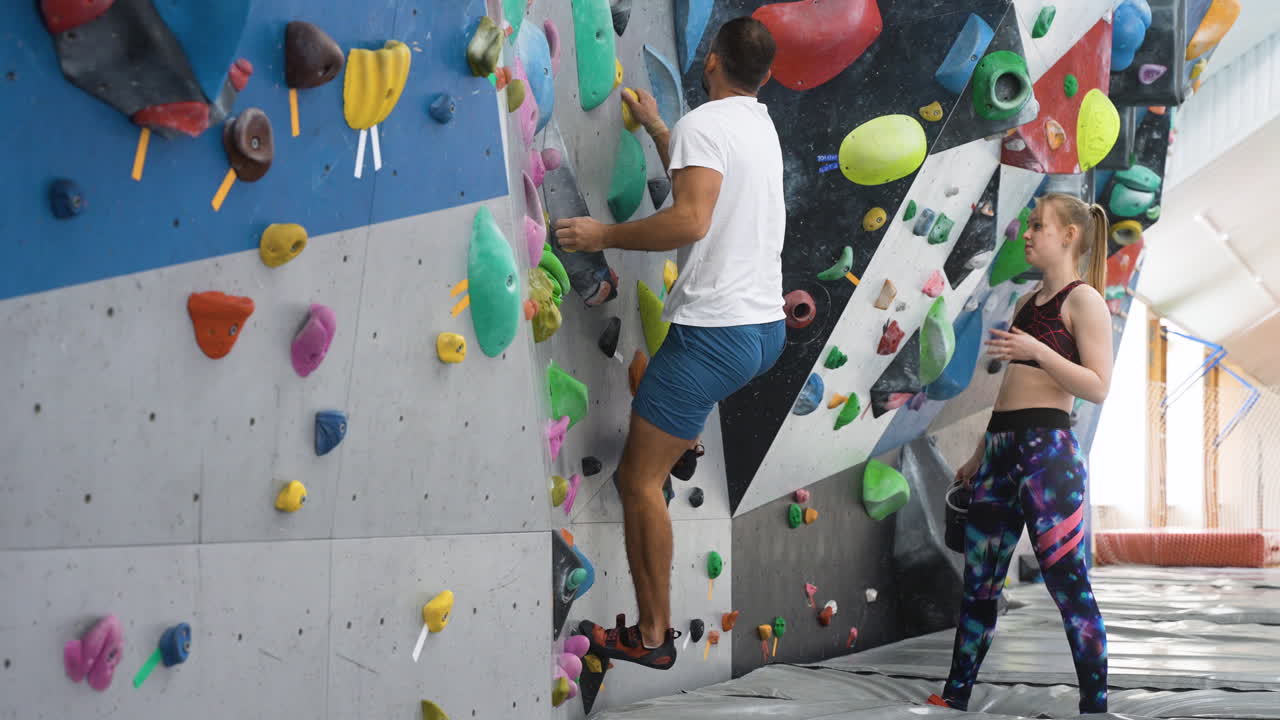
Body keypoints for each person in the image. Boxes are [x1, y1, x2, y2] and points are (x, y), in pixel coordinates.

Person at [554, 17, 785, 670]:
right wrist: (661, 130)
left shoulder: (704, 126)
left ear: (710, 61)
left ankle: (653, 638)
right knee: (647, 383)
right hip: (760, 332)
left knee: (636, 480)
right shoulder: (755, 125)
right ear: (762, 76)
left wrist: (600, 237)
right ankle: (683, 440)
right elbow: (703, 178)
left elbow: (690, 215)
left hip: (715, 337)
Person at [928, 193, 1115, 713]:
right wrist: (981, 452)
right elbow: (1010, 389)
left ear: (1069, 236)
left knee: (1067, 585)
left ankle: (1094, 705)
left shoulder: (1084, 301)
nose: (1027, 234)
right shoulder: (1025, 302)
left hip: (1048, 455)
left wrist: (1036, 350)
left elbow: (1097, 387)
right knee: (978, 585)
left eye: (1038, 225)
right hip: (1003, 450)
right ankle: (955, 696)